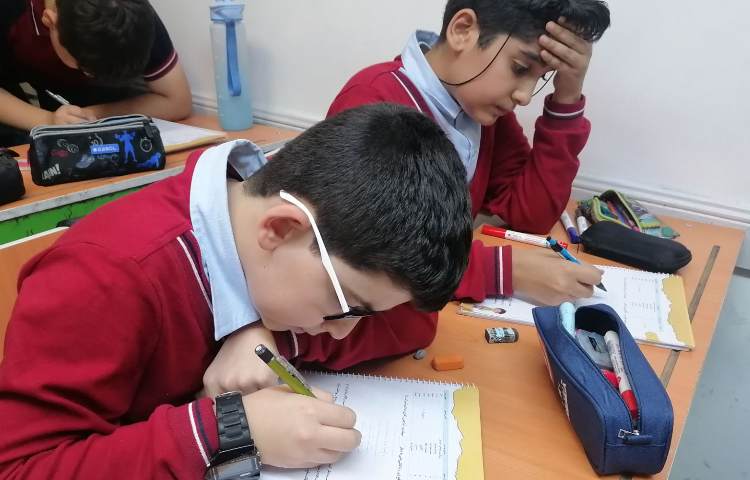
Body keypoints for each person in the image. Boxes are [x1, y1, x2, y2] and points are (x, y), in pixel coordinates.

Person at [0, 103, 473, 478]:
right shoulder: (108, 277)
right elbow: (21, 468)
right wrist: (229, 430)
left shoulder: (273, 241)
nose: (344, 332)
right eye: (344, 307)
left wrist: (261, 332)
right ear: (281, 229)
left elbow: (413, 321)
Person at [328, 0, 611, 306]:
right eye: (519, 68)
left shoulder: (479, 112)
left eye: (540, 78)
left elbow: (531, 213)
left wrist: (567, 94)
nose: (525, 96)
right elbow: (371, 257)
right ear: (462, 30)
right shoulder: (373, 101)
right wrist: (502, 271)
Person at [0, 0, 192, 147]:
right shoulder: (11, 11)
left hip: (89, 115)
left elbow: (178, 101)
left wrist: (92, 116)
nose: (92, 76)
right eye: (85, 68)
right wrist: (48, 121)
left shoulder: (127, 12)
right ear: (49, 21)